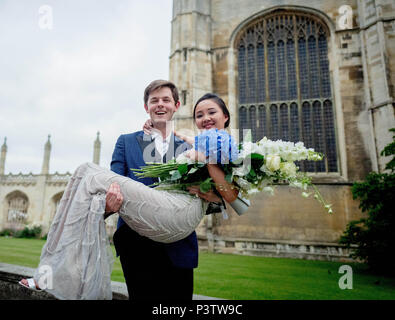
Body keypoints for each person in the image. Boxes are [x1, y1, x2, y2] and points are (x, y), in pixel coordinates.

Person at [18, 87, 247, 300]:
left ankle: (50, 275)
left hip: (178, 241)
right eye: (154, 100)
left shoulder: (205, 145)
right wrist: (108, 206)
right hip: (137, 245)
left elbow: (232, 197)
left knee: (86, 172)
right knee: (87, 177)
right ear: (146, 107)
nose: (160, 104)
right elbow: (111, 187)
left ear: (177, 105)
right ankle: (53, 273)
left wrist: (216, 197)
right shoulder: (130, 142)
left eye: (166, 99)